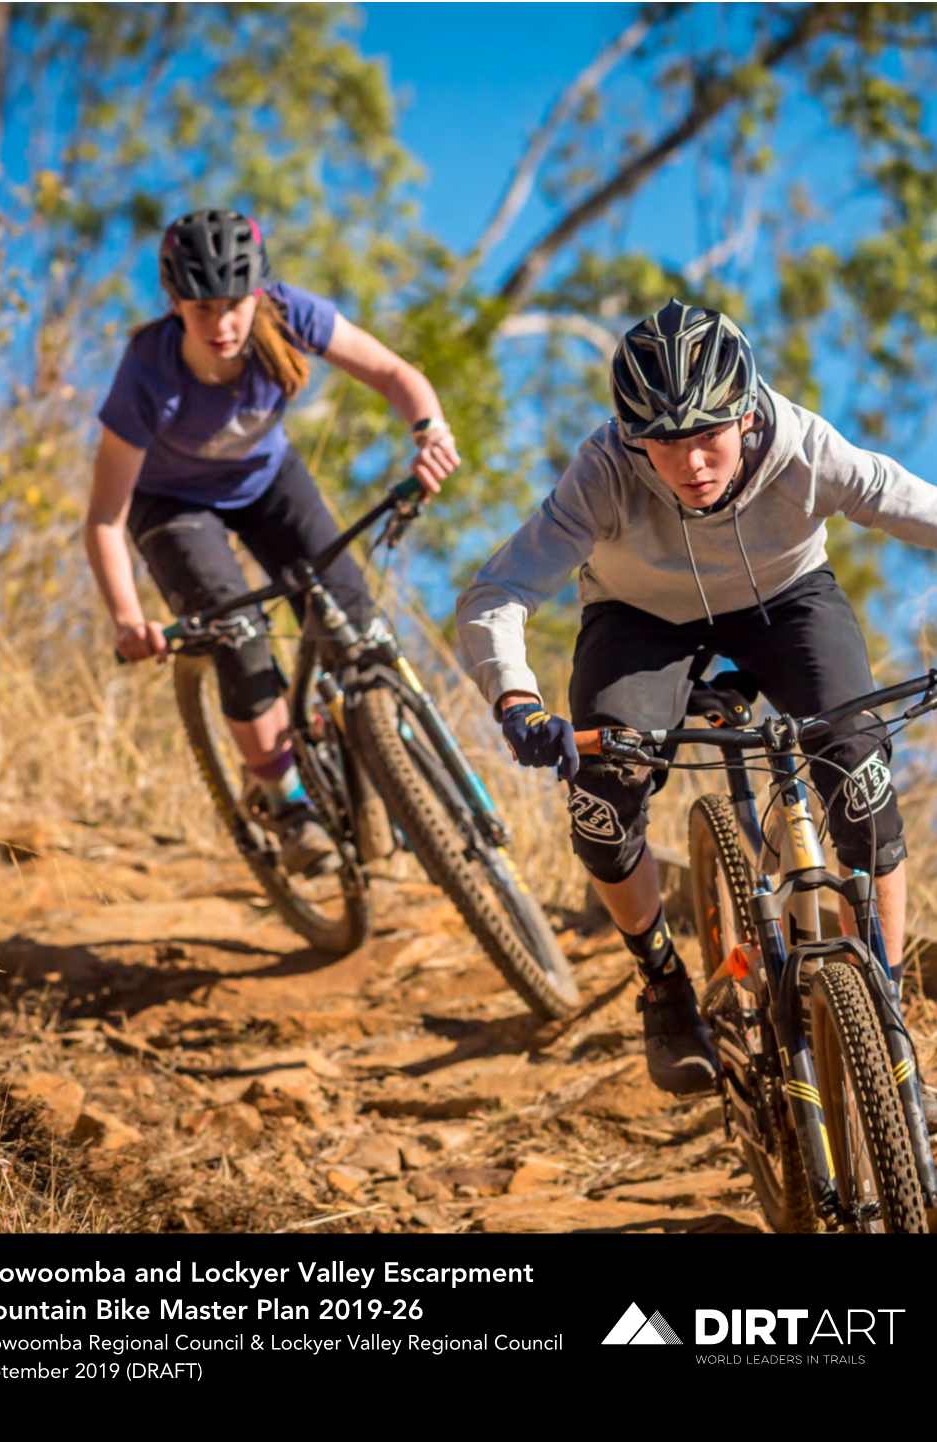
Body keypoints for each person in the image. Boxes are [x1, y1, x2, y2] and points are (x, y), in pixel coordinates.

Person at [456, 297, 937, 1098]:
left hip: (787, 601)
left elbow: (914, 505)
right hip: (639, 618)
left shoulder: (803, 447)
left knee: (858, 772)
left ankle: (882, 999)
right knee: (602, 802)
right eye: (663, 445)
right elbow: (498, 589)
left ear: (746, 417)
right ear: (631, 434)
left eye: (708, 437)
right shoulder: (605, 469)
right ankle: (663, 983)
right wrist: (516, 701)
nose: (690, 467)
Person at [86, 208, 460, 874]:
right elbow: (105, 520)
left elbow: (396, 376)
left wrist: (430, 432)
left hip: (268, 484)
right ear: (174, 303)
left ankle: (388, 770)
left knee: (355, 623)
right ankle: (284, 800)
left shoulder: (288, 315)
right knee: (238, 630)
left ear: (259, 292)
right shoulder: (147, 375)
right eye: (203, 308)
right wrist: (126, 619)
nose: (223, 324)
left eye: (235, 304)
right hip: (172, 505)